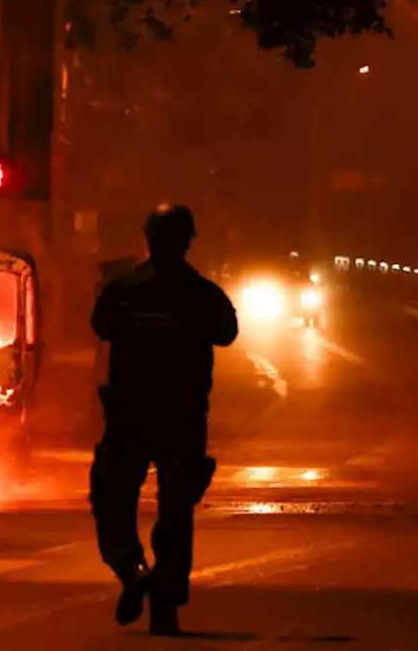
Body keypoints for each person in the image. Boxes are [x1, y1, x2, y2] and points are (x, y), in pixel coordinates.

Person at [89, 204, 238, 636]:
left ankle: (132, 571)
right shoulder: (201, 292)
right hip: (181, 417)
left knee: (113, 502)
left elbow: (100, 326)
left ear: (148, 239)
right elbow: (227, 332)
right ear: (187, 241)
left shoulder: (124, 288)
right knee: (175, 514)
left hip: (130, 416)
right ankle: (165, 600)